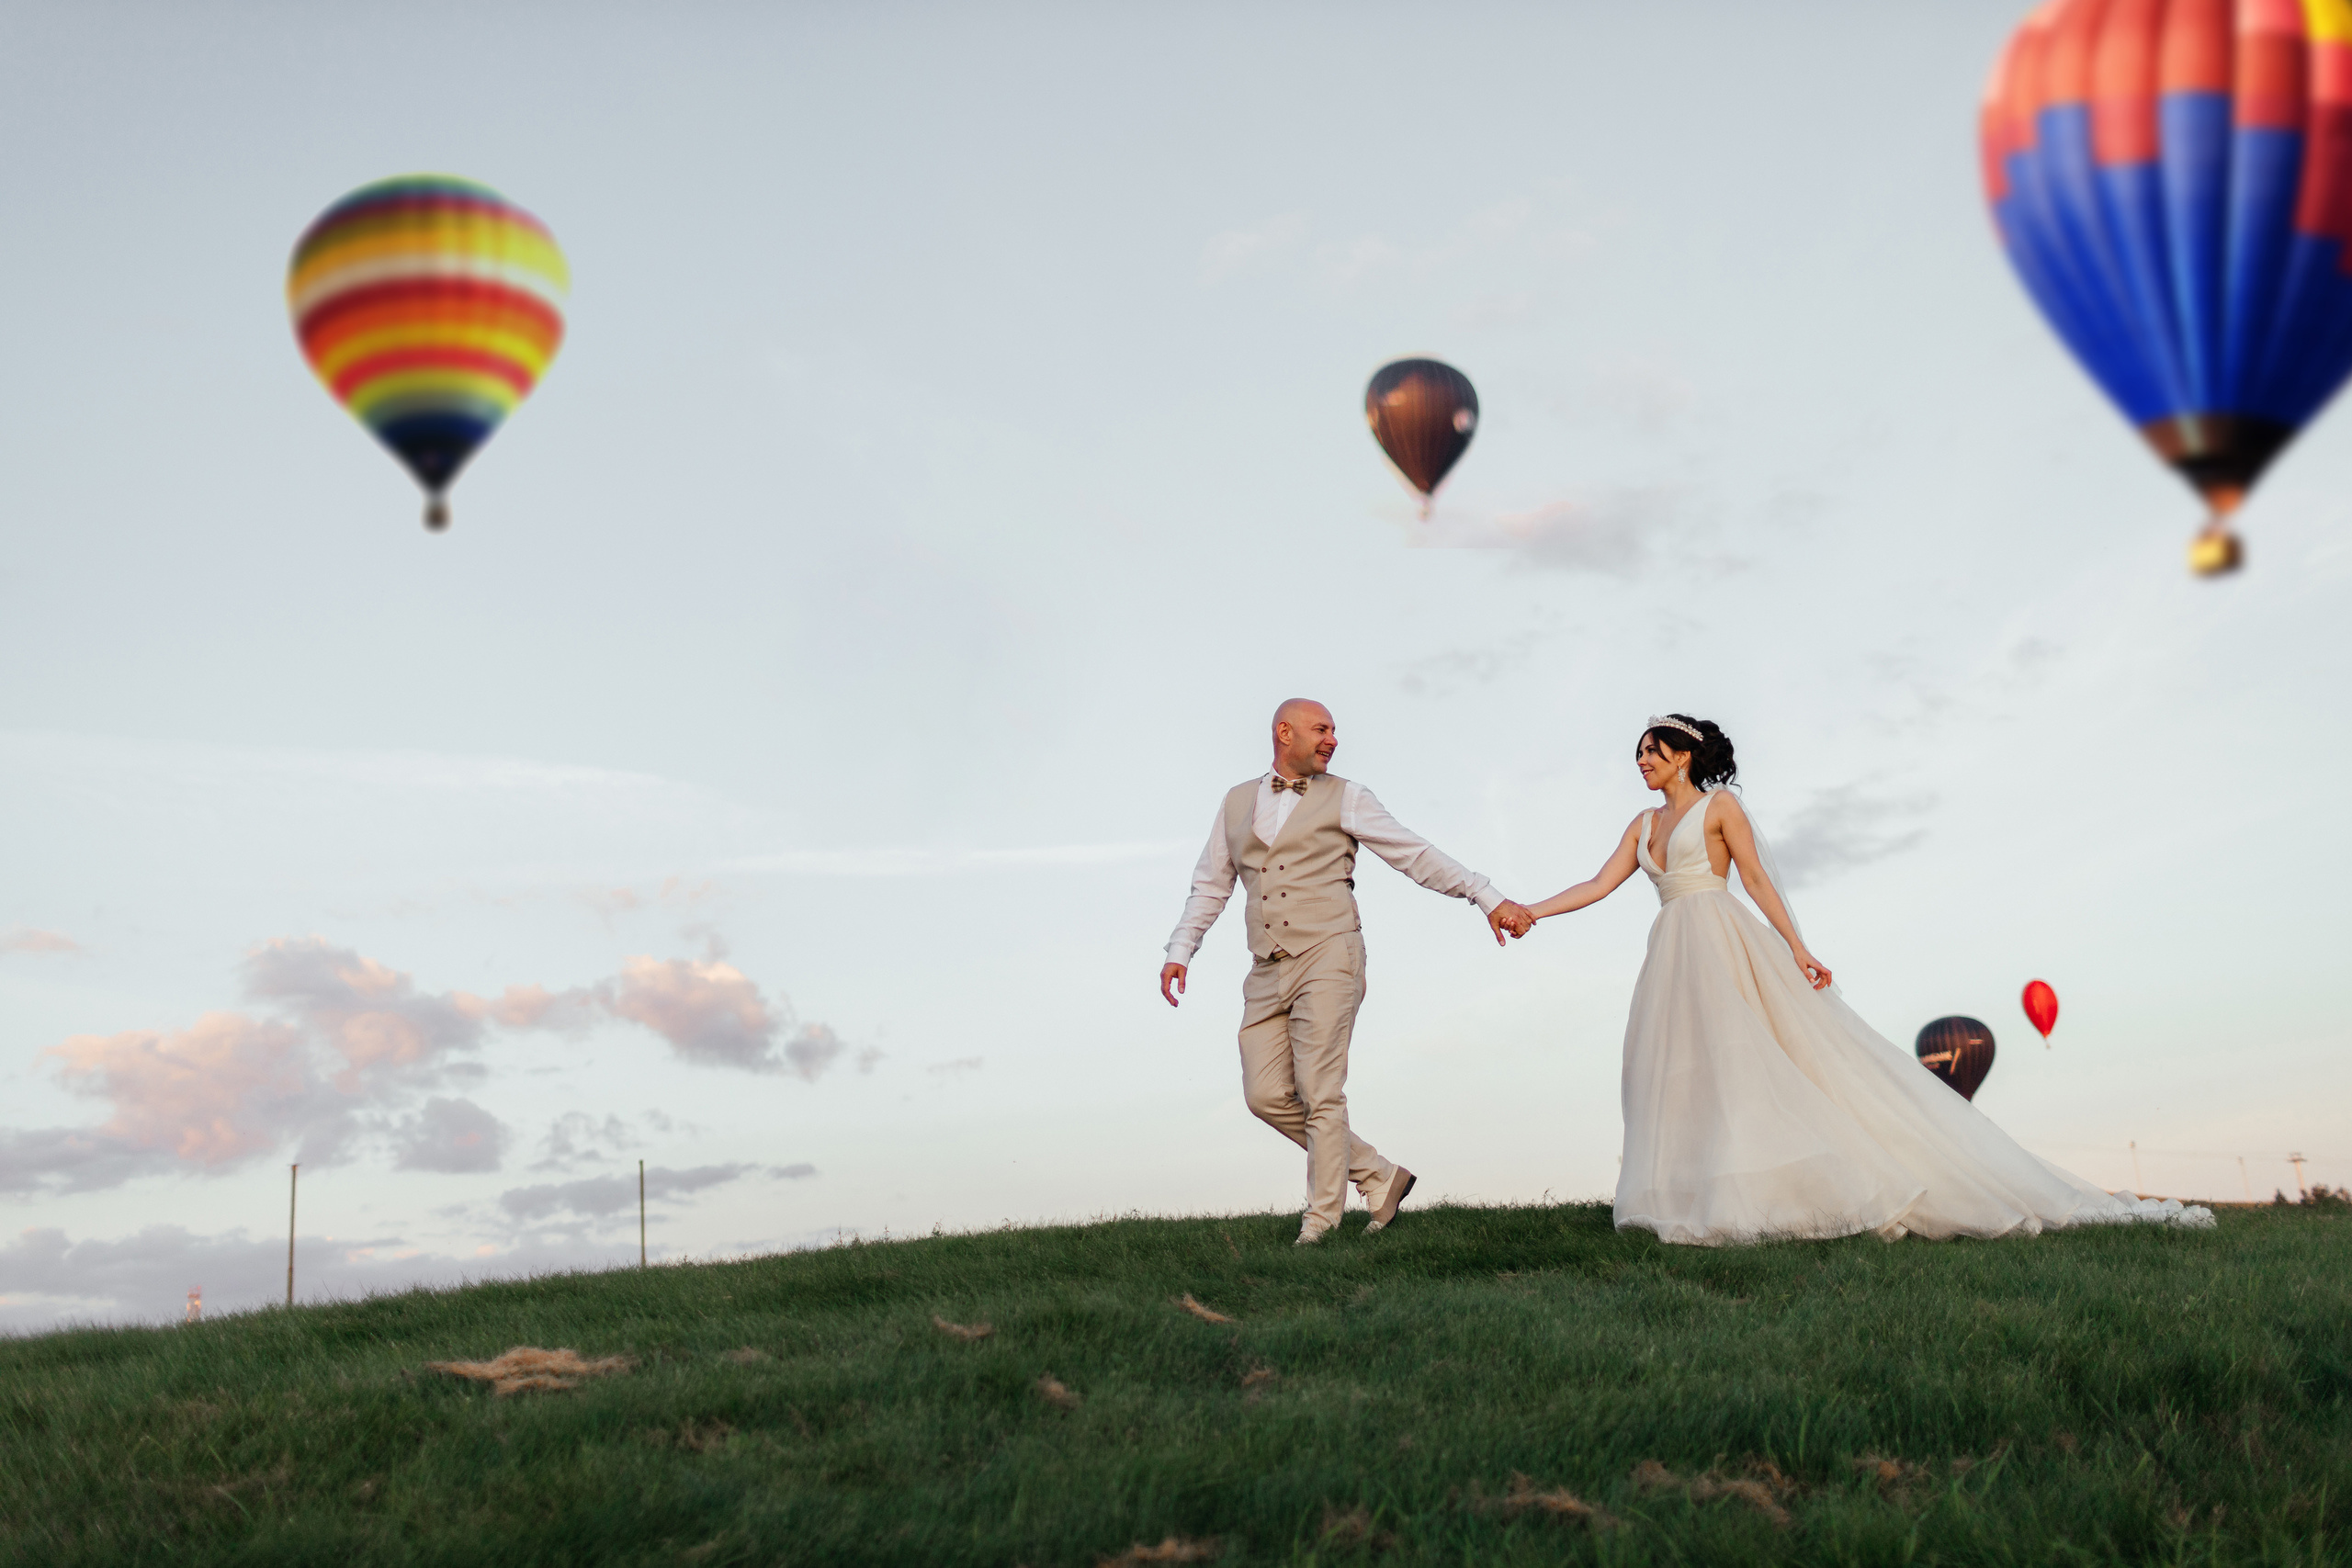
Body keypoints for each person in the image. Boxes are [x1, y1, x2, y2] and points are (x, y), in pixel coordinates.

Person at [1507, 713, 2211, 1244]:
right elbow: (1599, 883)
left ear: (1685, 754)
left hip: (1721, 942)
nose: (1642, 762)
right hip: (1670, 953)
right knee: (1677, 1073)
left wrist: (1798, 947)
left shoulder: (1720, 808)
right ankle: (1692, 1197)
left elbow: (1753, 879)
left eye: (1653, 751)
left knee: (1749, 1064)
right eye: (1637, 755)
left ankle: (1794, 1187)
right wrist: (1531, 911)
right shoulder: (1641, 823)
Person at [1161, 699, 1535, 1245]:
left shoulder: (1349, 797)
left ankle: (1320, 1222)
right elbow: (1211, 885)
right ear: (1283, 732)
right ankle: (1378, 1174)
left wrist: (1484, 894)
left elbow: (1415, 854)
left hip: (1330, 954)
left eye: (1335, 730)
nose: (1333, 739)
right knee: (1264, 1095)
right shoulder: (1235, 802)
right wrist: (1180, 948)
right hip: (1266, 967)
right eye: (1321, 729)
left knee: (1320, 1091)